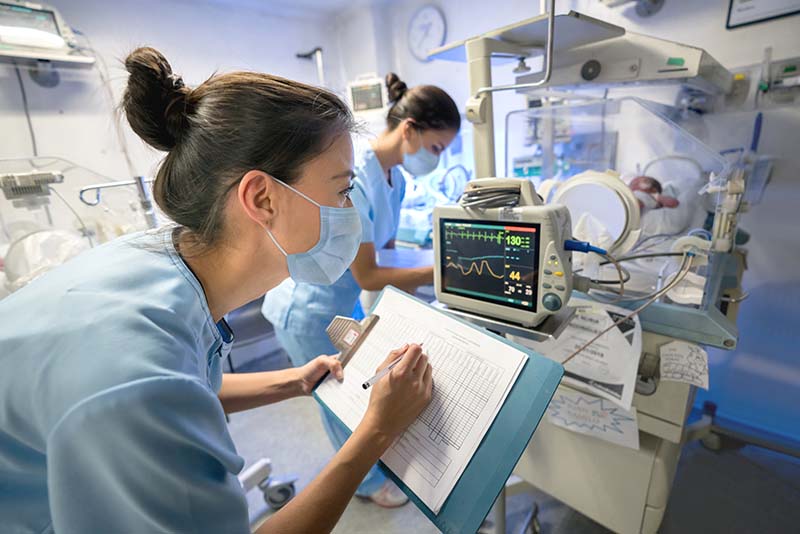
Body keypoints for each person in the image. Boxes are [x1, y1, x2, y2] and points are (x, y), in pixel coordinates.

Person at [0, 47, 433, 534]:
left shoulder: (166, 262)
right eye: (341, 190)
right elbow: (153, 388)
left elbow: (189, 386)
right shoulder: (134, 373)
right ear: (262, 198)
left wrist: (292, 380)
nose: (349, 209)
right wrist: (376, 433)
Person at [262, 72, 459, 507]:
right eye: (436, 148)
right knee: (335, 396)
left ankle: (370, 456)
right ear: (409, 130)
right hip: (308, 307)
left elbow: (382, 257)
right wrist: (443, 273)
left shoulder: (399, 179)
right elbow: (370, 274)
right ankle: (367, 485)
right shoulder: (359, 176)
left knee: (358, 389)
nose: (436, 159)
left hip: (340, 300)